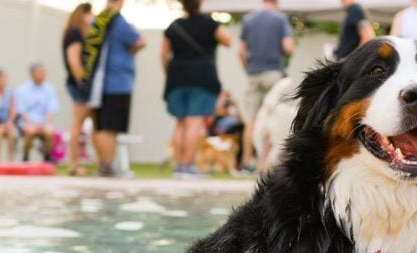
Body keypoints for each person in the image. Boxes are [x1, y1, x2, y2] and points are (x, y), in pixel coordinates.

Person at [162, 0, 231, 179]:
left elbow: (163, 55)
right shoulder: (209, 23)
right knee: (194, 122)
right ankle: (187, 166)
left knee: (180, 123)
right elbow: (227, 41)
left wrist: (170, 74)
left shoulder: (174, 26)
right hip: (202, 77)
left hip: (176, 78)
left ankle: (178, 167)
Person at [83, 0, 146, 177]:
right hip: (117, 82)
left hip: (98, 83)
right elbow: (141, 41)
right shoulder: (117, 20)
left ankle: (104, 165)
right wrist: (130, 52)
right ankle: (108, 166)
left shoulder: (99, 20)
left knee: (101, 124)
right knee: (110, 127)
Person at [238, 0, 294, 173]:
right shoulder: (280, 19)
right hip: (273, 74)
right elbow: (288, 47)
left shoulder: (248, 19)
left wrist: (248, 68)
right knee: (273, 117)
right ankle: (266, 164)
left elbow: (240, 51)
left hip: (253, 74)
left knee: (252, 120)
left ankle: (247, 163)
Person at [62, 2, 94, 175]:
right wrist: (84, 83)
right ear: (83, 14)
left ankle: (76, 163)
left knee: (83, 123)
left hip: (77, 83)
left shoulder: (71, 32)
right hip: (78, 84)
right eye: (90, 15)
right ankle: (73, 164)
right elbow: (74, 60)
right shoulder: (75, 33)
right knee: (77, 124)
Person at [15, 63, 60, 162]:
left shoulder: (49, 89)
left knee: (49, 131)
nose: (44, 74)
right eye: (41, 72)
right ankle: (25, 156)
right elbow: (21, 111)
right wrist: (32, 124)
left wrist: (43, 123)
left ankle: (48, 157)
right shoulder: (22, 89)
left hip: (44, 122)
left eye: (45, 72)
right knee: (30, 131)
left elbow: (52, 109)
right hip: (27, 122)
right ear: (33, 74)